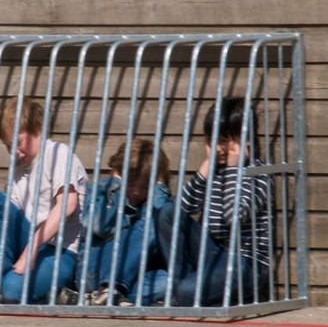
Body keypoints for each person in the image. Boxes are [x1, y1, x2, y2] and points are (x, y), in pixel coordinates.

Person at [0, 97, 88, 303]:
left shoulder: (57, 154)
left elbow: (67, 205)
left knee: (13, 289)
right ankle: (10, 289)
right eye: (8, 146)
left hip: (59, 250)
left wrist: (32, 246)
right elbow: (10, 220)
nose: (14, 151)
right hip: (28, 241)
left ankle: (14, 292)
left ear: (39, 130)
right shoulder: (19, 169)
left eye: (18, 142)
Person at [155, 97, 271, 306]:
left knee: (185, 294)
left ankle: (191, 293)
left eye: (225, 141)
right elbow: (180, 210)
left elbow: (234, 216)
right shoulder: (214, 170)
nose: (218, 148)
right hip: (212, 254)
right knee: (167, 212)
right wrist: (206, 166)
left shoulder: (259, 174)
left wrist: (234, 170)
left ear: (246, 139)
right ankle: (190, 290)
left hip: (244, 263)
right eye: (213, 139)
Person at [79, 138, 172, 306]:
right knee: (152, 223)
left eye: (145, 187)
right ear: (119, 174)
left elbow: (165, 230)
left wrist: (159, 191)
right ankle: (109, 289)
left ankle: (107, 297)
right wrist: (117, 190)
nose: (137, 191)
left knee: (168, 280)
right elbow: (98, 226)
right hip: (93, 271)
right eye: (131, 183)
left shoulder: (154, 202)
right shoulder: (100, 192)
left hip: (131, 278)